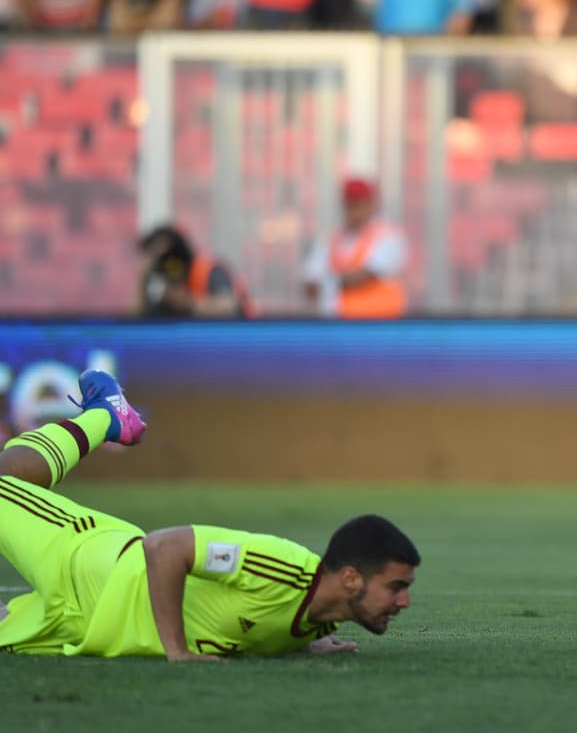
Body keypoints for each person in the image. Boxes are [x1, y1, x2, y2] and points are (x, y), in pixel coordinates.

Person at [0, 370, 419, 658]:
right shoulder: (282, 568)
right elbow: (165, 547)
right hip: (90, 566)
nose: (405, 600)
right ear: (349, 578)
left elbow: (255, 616)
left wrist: (295, 641)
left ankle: (104, 417)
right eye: (396, 585)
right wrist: (177, 652)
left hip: (86, 631)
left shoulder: (317, 619)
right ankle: (105, 416)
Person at [302, 177, 409, 319]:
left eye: (361, 204)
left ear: (372, 204)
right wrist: (333, 282)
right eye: (351, 205)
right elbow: (310, 285)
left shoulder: (388, 237)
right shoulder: (330, 240)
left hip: (380, 326)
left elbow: (364, 277)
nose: (356, 212)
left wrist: (327, 282)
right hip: (338, 327)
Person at [137, 225, 253, 318]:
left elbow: (230, 306)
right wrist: (142, 278)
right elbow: (137, 315)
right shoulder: (160, 278)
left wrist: (188, 304)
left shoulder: (206, 270)